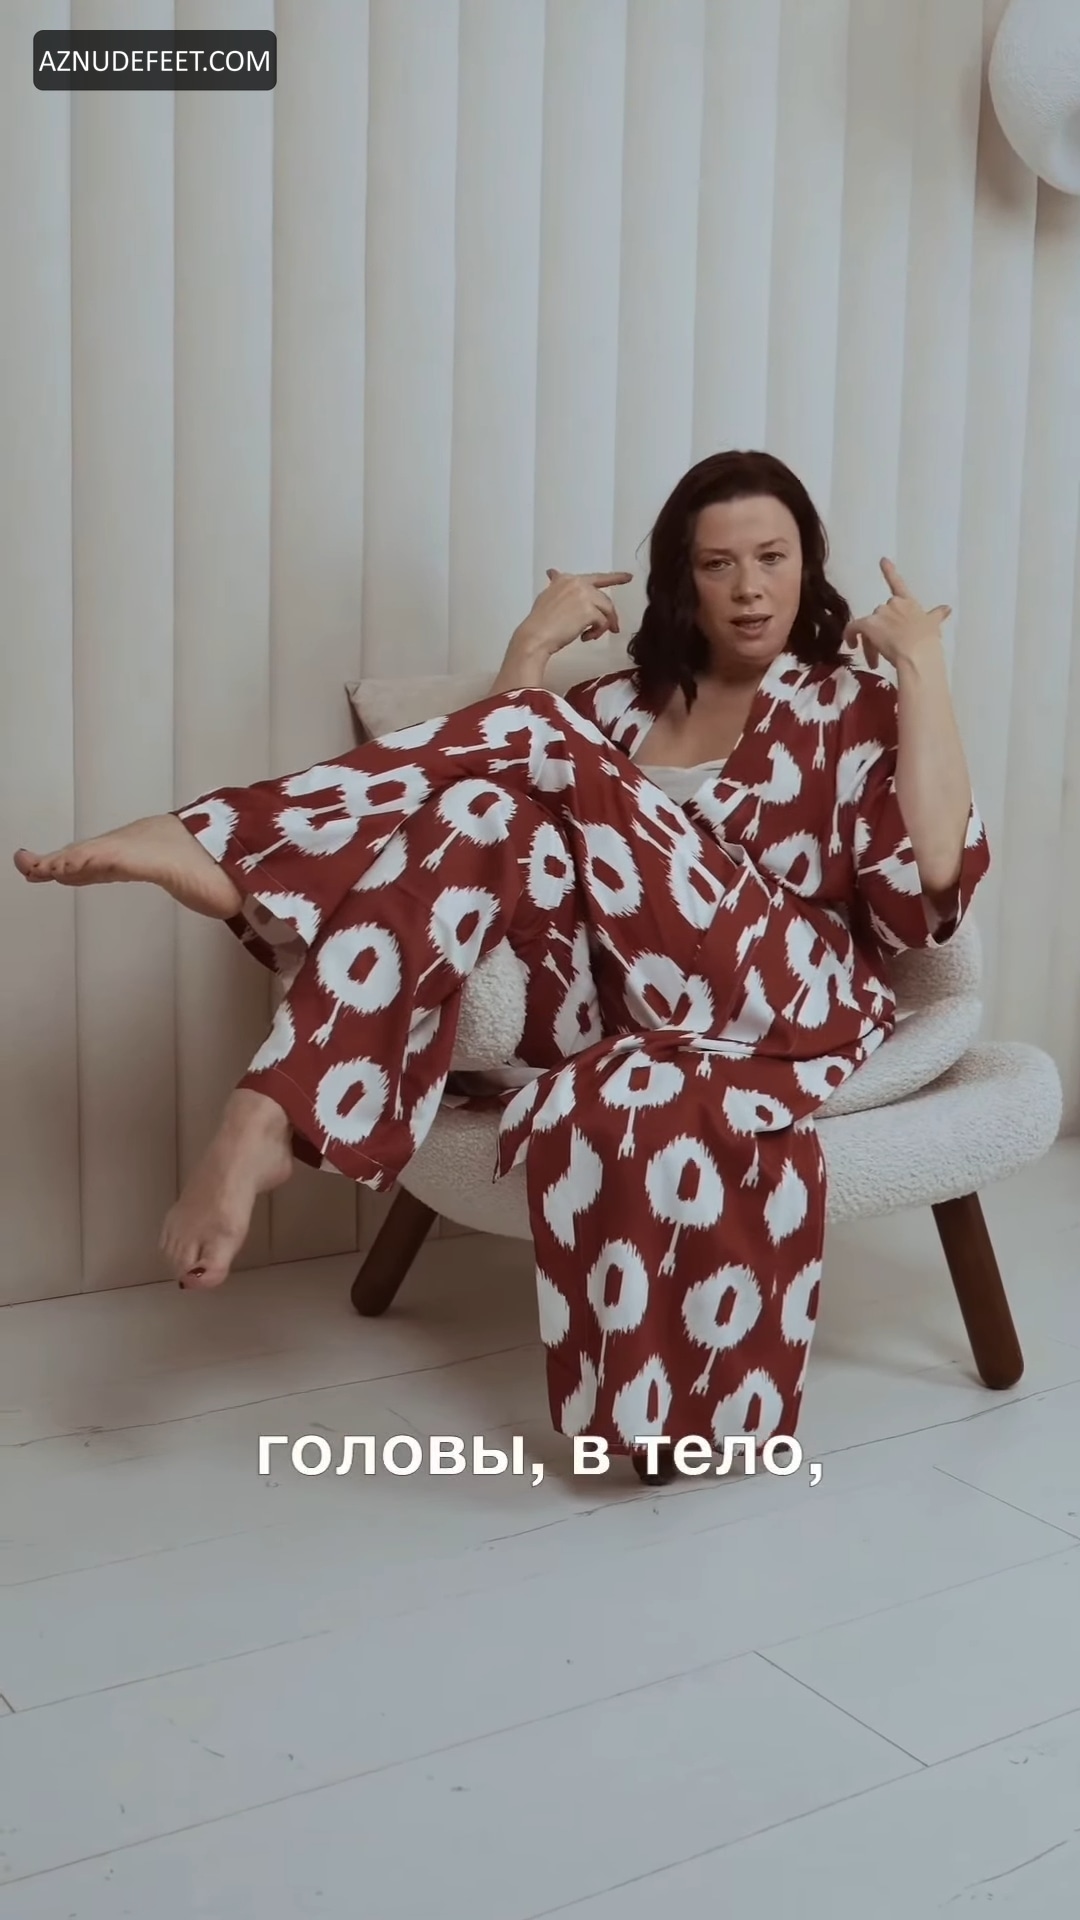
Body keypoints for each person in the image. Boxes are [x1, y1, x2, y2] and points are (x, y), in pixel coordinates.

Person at [14, 449, 989, 1482]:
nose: (749, 588)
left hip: (789, 987)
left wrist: (921, 666)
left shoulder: (850, 704)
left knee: (533, 744)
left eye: (773, 557)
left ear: (809, 564)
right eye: (718, 564)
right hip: (628, 996)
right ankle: (268, 1111)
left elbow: (935, 877)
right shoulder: (621, 707)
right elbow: (483, 784)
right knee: (485, 803)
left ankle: (226, 843)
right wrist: (530, 647)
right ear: (683, 580)